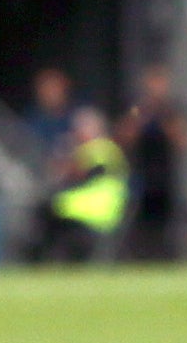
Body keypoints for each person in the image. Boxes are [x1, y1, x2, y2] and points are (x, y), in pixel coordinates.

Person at [34, 105, 128, 263]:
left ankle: (45, 257)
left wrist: (66, 153)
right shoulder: (107, 148)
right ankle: (53, 255)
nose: (77, 132)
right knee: (50, 207)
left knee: (47, 207)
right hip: (101, 206)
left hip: (96, 207)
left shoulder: (98, 148)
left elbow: (78, 173)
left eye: (80, 128)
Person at [120, 66, 187, 262]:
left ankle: (167, 258)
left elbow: (182, 141)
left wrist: (167, 121)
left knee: (167, 222)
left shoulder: (173, 110)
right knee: (139, 221)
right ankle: (139, 258)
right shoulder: (137, 108)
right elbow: (125, 136)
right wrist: (142, 117)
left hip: (165, 175)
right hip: (141, 173)